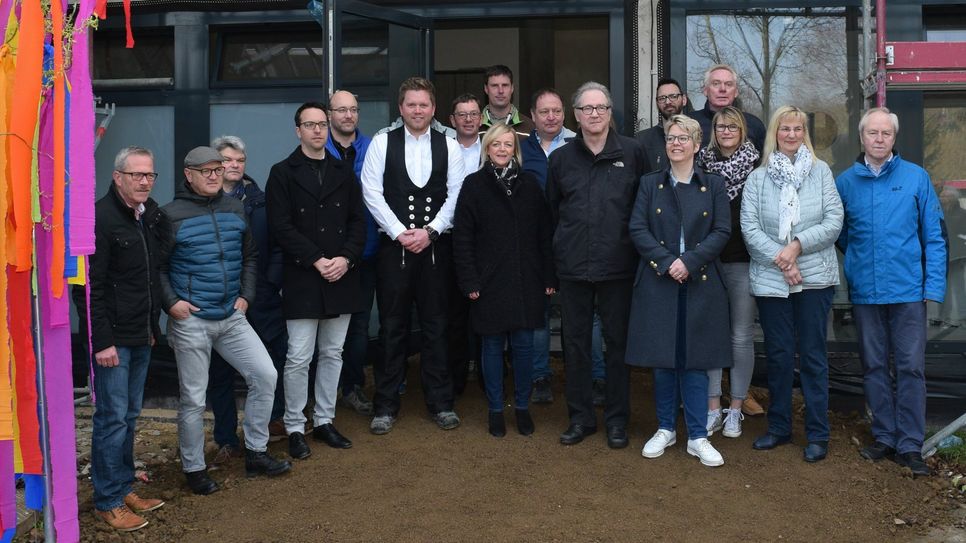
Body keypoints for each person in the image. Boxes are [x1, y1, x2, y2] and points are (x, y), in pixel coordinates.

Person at [162, 147, 292, 495]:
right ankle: (194, 469)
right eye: (205, 171)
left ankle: (256, 451)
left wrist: (246, 296)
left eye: (218, 169)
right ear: (188, 174)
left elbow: (250, 255)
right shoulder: (169, 215)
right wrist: (171, 303)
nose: (214, 175)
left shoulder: (235, 207)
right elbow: (156, 267)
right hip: (192, 320)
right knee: (192, 398)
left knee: (265, 375)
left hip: (232, 317)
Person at [836, 107, 947, 476]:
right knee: (873, 367)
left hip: (908, 293)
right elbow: (841, 233)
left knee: (911, 368)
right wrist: (856, 264)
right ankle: (884, 436)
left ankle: (910, 444)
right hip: (867, 292)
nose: (879, 139)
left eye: (886, 133)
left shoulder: (917, 178)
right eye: (873, 133)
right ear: (862, 137)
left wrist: (933, 289)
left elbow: (934, 237)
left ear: (894, 138)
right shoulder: (846, 183)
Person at [360, 76, 466, 434]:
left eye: (424, 104)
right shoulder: (380, 143)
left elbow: (457, 193)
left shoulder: (449, 145)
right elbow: (371, 192)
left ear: (433, 109)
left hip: (436, 248)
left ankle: (441, 402)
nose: (418, 110)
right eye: (411, 104)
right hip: (395, 250)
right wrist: (399, 232)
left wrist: (431, 230)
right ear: (401, 107)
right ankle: (386, 404)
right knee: (392, 327)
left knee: (437, 326)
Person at [546, 81, 647, 448]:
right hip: (573, 268)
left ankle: (618, 421)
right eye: (586, 109)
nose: (594, 114)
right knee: (574, 346)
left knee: (617, 346)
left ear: (610, 111)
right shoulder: (560, 159)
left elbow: (642, 211)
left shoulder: (633, 153)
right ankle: (581, 418)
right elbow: (552, 213)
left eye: (600, 108)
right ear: (576, 115)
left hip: (619, 269)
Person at [627, 115, 731, 467]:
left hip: (700, 280)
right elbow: (638, 229)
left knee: (696, 359)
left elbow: (722, 231)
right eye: (671, 138)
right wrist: (667, 261)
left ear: (697, 144)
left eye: (683, 138)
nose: (676, 143)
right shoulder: (649, 184)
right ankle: (666, 428)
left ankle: (698, 436)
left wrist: (690, 261)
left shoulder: (714, 184)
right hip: (660, 279)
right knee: (663, 358)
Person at [740, 105, 843, 463]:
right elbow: (750, 229)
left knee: (813, 358)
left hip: (815, 280)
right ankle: (779, 428)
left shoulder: (821, 172)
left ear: (805, 134)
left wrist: (796, 247)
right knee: (780, 357)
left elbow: (834, 221)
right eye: (785, 128)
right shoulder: (758, 178)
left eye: (798, 129)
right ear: (775, 133)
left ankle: (817, 434)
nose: (791, 135)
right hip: (772, 281)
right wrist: (783, 261)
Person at [265, 102, 367, 459]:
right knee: (298, 357)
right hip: (303, 275)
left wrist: (346, 258)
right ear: (298, 130)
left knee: (333, 353)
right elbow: (280, 226)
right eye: (310, 125)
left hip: (341, 273)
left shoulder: (344, 170)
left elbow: (358, 222)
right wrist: (316, 259)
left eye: (322, 124)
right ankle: (295, 425)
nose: (318, 130)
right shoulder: (282, 173)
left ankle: (324, 420)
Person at [453, 123, 556, 437]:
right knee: (493, 347)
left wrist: (549, 276)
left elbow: (544, 235)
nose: (501, 150)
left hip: (526, 280)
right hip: (489, 282)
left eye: (507, 145)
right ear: (487, 148)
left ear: (515, 149)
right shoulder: (473, 185)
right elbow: (462, 239)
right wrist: (470, 281)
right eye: (496, 144)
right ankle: (496, 409)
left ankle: (522, 407)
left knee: (524, 348)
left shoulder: (529, 185)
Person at [90, 147, 167, 532]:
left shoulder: (146, 217)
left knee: (129, 416)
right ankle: (107, 500)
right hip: (114, 341)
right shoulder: (101, 219)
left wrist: (151, 330)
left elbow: (151, 278)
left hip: (140, 334)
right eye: (136, 175)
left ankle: (122, 487)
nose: (144, 182)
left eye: (150, 175)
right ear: (117, 177)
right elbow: (91, 288)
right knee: (111, 418)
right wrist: (102, 341)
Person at [206, 135, 288, 466]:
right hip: (221, 300)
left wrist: (271, 282)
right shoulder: (202, 203)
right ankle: (226, 438)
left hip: (262, 297)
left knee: (273, 360)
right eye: (227, 160)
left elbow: (279, 244)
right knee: (221, 371)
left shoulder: (262, 201)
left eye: (240, 160)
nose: (234, 166)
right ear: (215, 164)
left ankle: (273, 419)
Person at [696, 107, 764, 440]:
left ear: (743, 130)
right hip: (709, 262)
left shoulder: (757, 167)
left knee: (740, 336)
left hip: (744, 262)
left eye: (732, 126)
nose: (726, 130)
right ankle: (712, 409)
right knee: (711, 334)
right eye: (721, 125)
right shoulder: (701, 166)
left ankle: (735, 409)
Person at [325, 90, 377, 417]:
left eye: (353, 110)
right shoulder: (317, 149)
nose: (348, 115)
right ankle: (324, 392)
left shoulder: (373, 148)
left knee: (358, 327)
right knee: (326, 328)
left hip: (367, 251)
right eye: (341, 110)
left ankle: (352, 387)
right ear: (330, 114)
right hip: (327, 256)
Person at [689, 64, 765, 152]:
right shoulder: (689, 123)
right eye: (716, 84)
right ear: (705, 90)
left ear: (736, 92)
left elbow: (764, 162)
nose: (723, 89)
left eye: (728, 84)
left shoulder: (753, 125)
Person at [636, 77, 689, 172]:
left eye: (673, 96)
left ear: (684, 100)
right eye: (662, 98)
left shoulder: (696, 134)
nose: (668, 102)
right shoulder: (642, 140)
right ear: (657, 104)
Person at [480, 64, 535, 136]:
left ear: (512, 88)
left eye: (505, 85)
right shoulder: (474, 126)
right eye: (495, 86)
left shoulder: (530, 127)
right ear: (486, 89)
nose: (500, 91)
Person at [450, 93, 484, 174]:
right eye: (462, 114)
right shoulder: (444, 150)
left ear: (481, 119)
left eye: (474, 114)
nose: (468, 119)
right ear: (453, 120)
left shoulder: (491, 150)